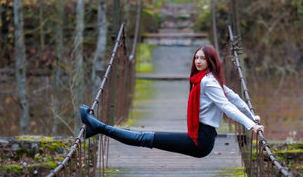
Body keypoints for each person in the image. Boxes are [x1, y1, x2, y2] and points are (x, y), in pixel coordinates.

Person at [80, 45, 264, 158]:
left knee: (144, 138)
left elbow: (227, 105)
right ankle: (96, 128)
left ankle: (98, 127)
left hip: (201, 141)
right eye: (197, 57)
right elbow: (236, 98)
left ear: (211, 61)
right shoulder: (207, 79)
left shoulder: (208, 82)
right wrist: (251, 115)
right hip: (201, 137)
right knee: (144, 138)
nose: (198, 61)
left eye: (203, 58)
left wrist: (250, 125)